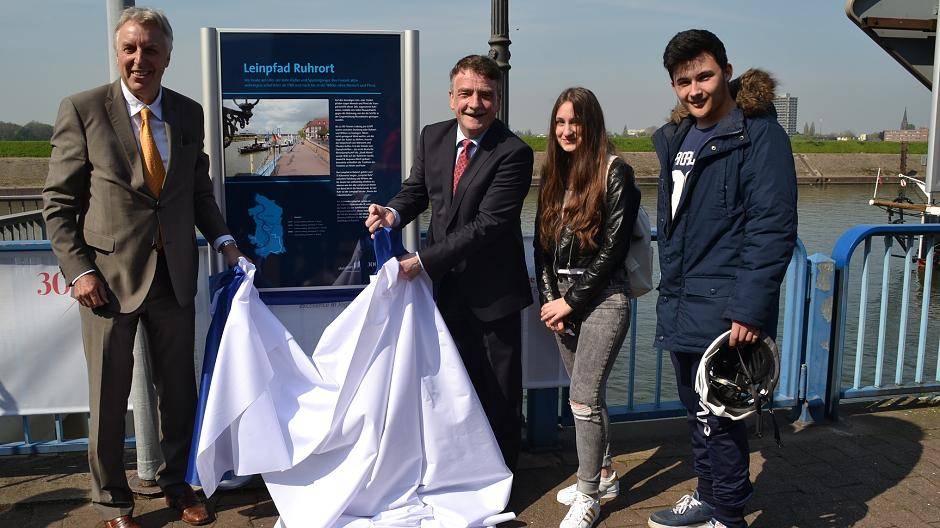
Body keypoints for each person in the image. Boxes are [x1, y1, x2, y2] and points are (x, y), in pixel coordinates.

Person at [42, 7, 244, 528]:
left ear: (168, 56)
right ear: (118, 53)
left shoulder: (188, 114)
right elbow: (58, 204)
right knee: (109, 397)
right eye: (130, 49)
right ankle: (113, 501)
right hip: (106, 282)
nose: (140, 59)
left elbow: (198, 193)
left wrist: (225, 242)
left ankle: (177, 484)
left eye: (151, 49)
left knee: (179, 393)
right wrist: (79, 271)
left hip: (173, 276)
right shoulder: (83, 109)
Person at [646, 30, 797, 528]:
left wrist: (749, 309)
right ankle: (710, 494)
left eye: (704, 76)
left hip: (727, 308)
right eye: (683, 81)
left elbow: (771, 228)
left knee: (722, 414)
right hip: (683, 299)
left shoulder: (759, 137)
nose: (695, 90)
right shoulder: (677, 138)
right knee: (697, 411)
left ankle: (729, 516)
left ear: (727, 72)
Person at [364, 55, 534, 470]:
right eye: (466, 93)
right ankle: (457, 470)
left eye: (485, 95)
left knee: (497, 392)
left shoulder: (514, 152)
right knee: (448, 387)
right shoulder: (433, 136)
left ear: (498, 100)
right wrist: (392, 214)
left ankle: (502, 478)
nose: (475, 103)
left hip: (494, 295)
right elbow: (417, 191)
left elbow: (488, 225)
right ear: (451, 98)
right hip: (443, 292)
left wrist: (421, 261)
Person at [533, 87, 641, 528]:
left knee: (582, 398)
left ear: (591, 124)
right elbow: (542, 249)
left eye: (575, 121)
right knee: (589, 397)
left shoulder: (616, 173)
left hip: (603, 298)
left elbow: (614, 250)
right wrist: (550, 301)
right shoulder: (554, 175)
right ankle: (606, 474)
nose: (566, 130)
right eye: (559, 122)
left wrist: (570, 302)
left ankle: (589, 494)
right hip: (562, 300)